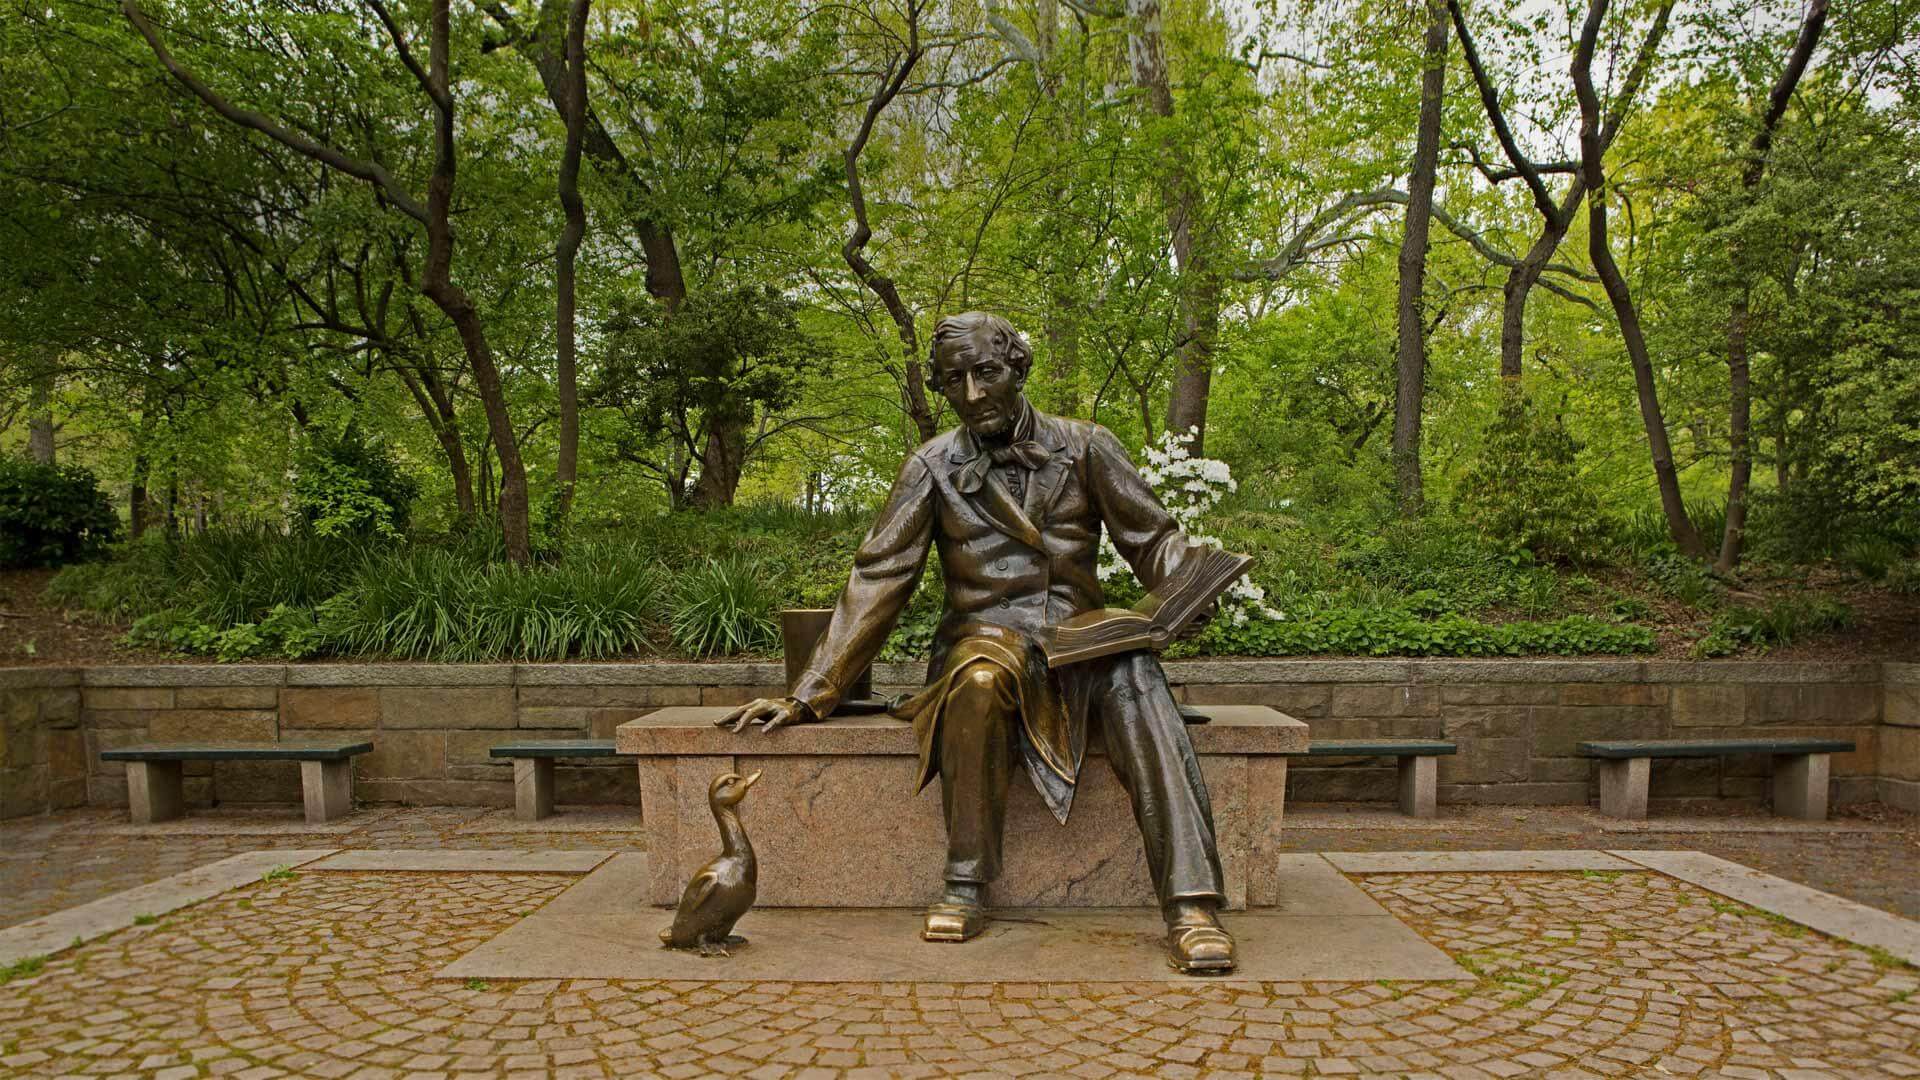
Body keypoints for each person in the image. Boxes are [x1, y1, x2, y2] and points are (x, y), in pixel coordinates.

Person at [717, 311, 1234, 974]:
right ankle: (965, 882)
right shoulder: (931, 466)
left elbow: (1153, 539)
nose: (972, 393)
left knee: (1137, 676)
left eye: (986, 372)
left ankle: (1192, 905)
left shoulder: (1088, 446)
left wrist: (1188, 584)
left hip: (1078, 641)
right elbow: (881, 576)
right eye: (953, 380)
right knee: (979, 681)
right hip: (985, 638)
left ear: (1017, 368)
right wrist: (810, 692)